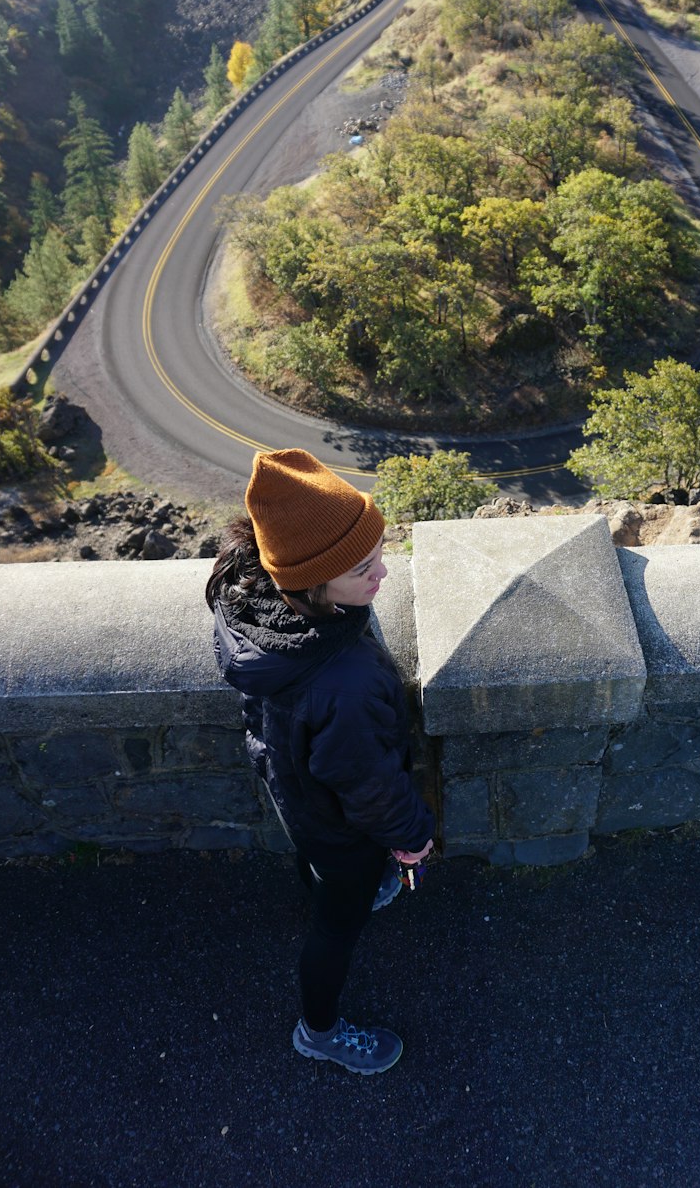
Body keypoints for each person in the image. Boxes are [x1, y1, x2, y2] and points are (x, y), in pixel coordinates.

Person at [206, 448, 435, 1075]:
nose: (384, 574)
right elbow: (368, 782)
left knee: (323, 870)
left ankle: (329, 886)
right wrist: (413, 840)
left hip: (295, 791)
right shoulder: (346, 679)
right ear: (313, 578)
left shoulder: (255, 599)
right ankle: (320, 1030)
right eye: (364, 567)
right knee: (337, 927)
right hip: (340, 827)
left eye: (382, 553)